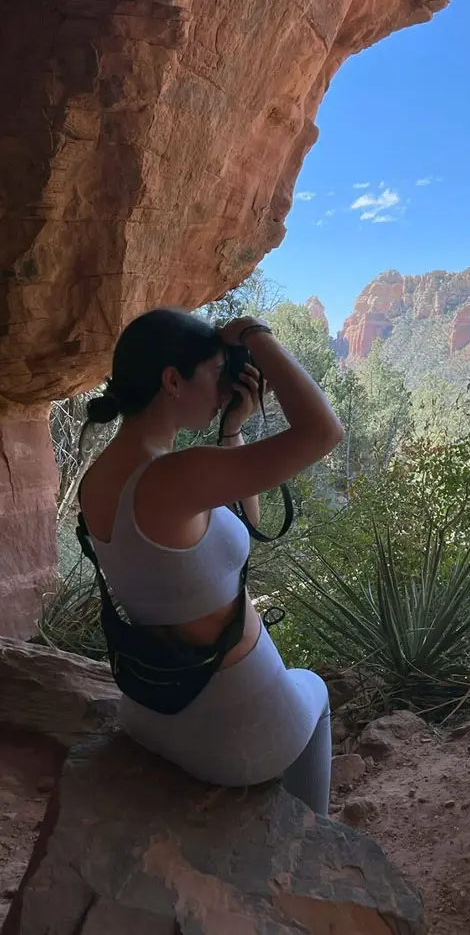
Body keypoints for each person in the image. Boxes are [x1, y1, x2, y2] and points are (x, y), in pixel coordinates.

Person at [77, 307, 344, 816]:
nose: (226, 388)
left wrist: (232, 430)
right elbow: (323, 432)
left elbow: (243, 521)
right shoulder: (175, 476)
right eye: (218, 374)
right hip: (237, 722)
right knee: (315, 689)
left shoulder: (103, 476)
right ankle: (314, 841)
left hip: (154, 710)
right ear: (173, 381)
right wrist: (252, 333)